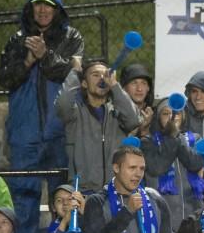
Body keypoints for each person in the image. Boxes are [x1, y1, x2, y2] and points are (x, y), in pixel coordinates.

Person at [0, 0, 84, 233]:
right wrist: (27, 60)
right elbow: (4, 79)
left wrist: (45, 55)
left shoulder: (72, 38)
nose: (43, 11)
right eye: (38, 5)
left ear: (57, 9)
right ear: (30, 9)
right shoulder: (17, 40)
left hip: (60, 132)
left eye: (48, 5)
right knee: (23, 200)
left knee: (64, 199)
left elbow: (74, 73)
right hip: (24, 134)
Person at [55, 57, 142, 193]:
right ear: (84, 83)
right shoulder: (75, 113)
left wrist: (115, 85)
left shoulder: (117, 113)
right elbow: (62, 104)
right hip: (84, 192)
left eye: (105, 75)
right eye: (95, 75)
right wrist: (76, 71)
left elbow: (134, 120)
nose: (102, 79)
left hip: (115, 191)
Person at [140, 97, 204, 232]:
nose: (172, 117)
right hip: (162, 213)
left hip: (193, 209)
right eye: (166, 113)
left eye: (177, 113)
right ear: (158, 118)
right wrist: (172, 137)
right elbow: (157, 168)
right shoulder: (148, 142)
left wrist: (177, 136)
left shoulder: (196, 139)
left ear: (183, 117)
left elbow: (195, 164)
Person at [120, 63, 155, 138]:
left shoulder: (156, 115)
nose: (139, 89)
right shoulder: (114, 115)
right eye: (134, 83)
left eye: (143, 83)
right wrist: (139, 130)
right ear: (123, 88)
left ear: (148, 88)